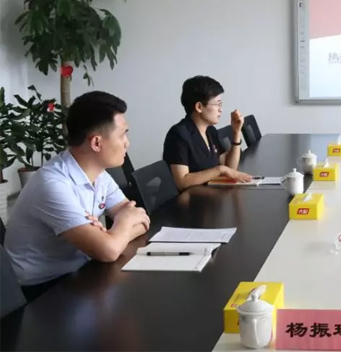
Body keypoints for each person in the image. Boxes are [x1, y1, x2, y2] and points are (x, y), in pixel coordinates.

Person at [5, 91, 151, 300]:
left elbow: (142, 221)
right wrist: (118, 228)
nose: (127, 142)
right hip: (40, 292)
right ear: (96, 143)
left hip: (80, 272)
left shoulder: (100, 174)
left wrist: (112, 235)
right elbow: (108, 251)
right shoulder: (52, 185)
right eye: (122, 135)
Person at [163, 76, 252, 191]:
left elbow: (230, 169)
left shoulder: (210, 131)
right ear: (199, 107)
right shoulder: (178, 135)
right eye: (217, 104)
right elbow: (182, 182)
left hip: (209, 194)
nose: (220, 109)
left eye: (221, 104)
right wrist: (220, 170)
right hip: (189, 199)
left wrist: (236, 132)